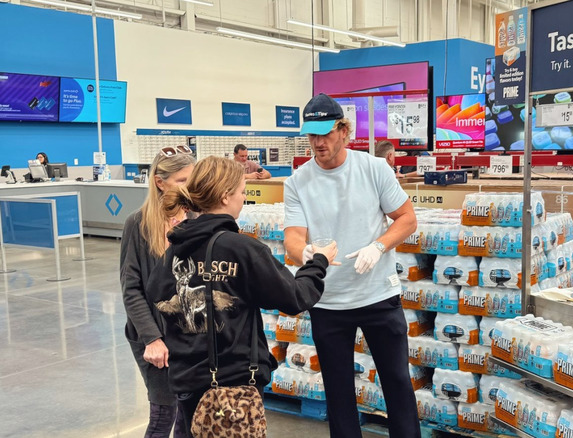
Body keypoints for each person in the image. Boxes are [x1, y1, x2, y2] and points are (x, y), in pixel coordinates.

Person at [146, 156, 336, 437]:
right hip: (233, 385)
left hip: (186, 380)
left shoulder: (175, 249)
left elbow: (155, 295)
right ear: (225, 196)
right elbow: (295, 297)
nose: (243, 199)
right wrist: (318, 263)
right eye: (242, 192)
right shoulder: (243, 250)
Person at [283, 93, 420, 438]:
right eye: (311, 135)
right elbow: (293, 239)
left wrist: (379, 245)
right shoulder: (297, 182)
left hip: (378, 296)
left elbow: (406, 218)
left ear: (344, 130)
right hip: (328, 303)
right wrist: (310, 255)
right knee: (339, 393)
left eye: (325, 133)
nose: (318, 143)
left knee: (398, 385)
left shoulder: (373, 169)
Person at [120, 145, 195, 437]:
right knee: (164, 413)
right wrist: (152, 338)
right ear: (159, 182)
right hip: (152, 337)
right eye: (182, 181)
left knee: (187, 416)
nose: (189, 188)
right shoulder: (137, 225)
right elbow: (132, 289)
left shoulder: (195, 221)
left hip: (188, 335)